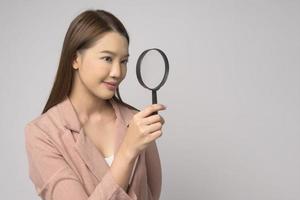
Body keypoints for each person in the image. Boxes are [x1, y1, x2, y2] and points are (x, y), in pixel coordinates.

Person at [24, 9, 166, 200]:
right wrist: (128, 150)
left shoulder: (137, 122)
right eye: (107, 58)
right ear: (75, 59)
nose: (117, 72)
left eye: (123, 61)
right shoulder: (42, 133)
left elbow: (152, 195)